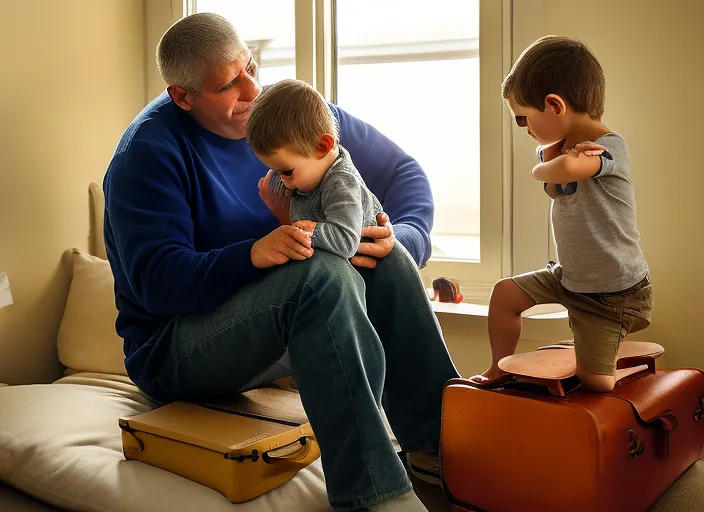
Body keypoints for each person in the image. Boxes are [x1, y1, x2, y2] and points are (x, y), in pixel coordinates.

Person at [103, 12, 459, 512]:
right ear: (182, 97)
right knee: (322, 274)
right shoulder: (148, 152)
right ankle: (374, 496)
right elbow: (156, 285)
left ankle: (443, 447)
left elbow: (403, 172)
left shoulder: (279, 115)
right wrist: (251, 255)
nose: (252, 89)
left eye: (252, 64)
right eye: (229, 83)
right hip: (173, 350)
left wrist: (403, 237)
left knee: (387, 257)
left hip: (267, 330)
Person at [471, 35, 652, 393]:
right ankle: (497, 368)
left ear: (555, 105)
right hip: (570, 277)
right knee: (505, 293)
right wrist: (554, 151)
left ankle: (624, 369)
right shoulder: (560, 149)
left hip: (614, 294)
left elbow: (564, 170)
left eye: (524, 119)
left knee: (595, 382)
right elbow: (557, 162)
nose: (525, 130)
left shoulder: (611, 146)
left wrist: (544, 166)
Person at [246, 78, 385, 260]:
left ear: (322, 147)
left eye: (286, 172)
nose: (283, 182)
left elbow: (347, 242)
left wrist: (314, 231)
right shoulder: (312, 171)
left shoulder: (341, 182)